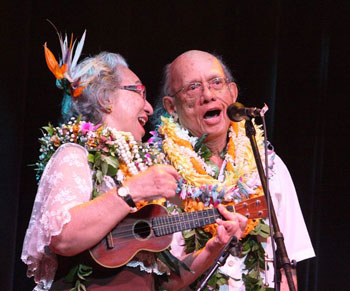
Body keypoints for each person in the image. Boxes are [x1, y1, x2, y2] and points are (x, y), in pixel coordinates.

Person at [21, 32, 247, 291]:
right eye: (138, 91)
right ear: (105, 98)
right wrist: (134, 190)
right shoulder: (75, 154)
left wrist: (213, 248)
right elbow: (63, 236)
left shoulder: (139, 169)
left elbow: (165, 284)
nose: (149, 108)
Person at [151, 50, 315, 290]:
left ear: (233, 93)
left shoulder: (269, 166)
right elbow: (153, 279)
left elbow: (287, 265)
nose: (207, 95)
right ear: (171, 106)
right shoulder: (155, 169)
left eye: (216, 83)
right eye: (192, 88)